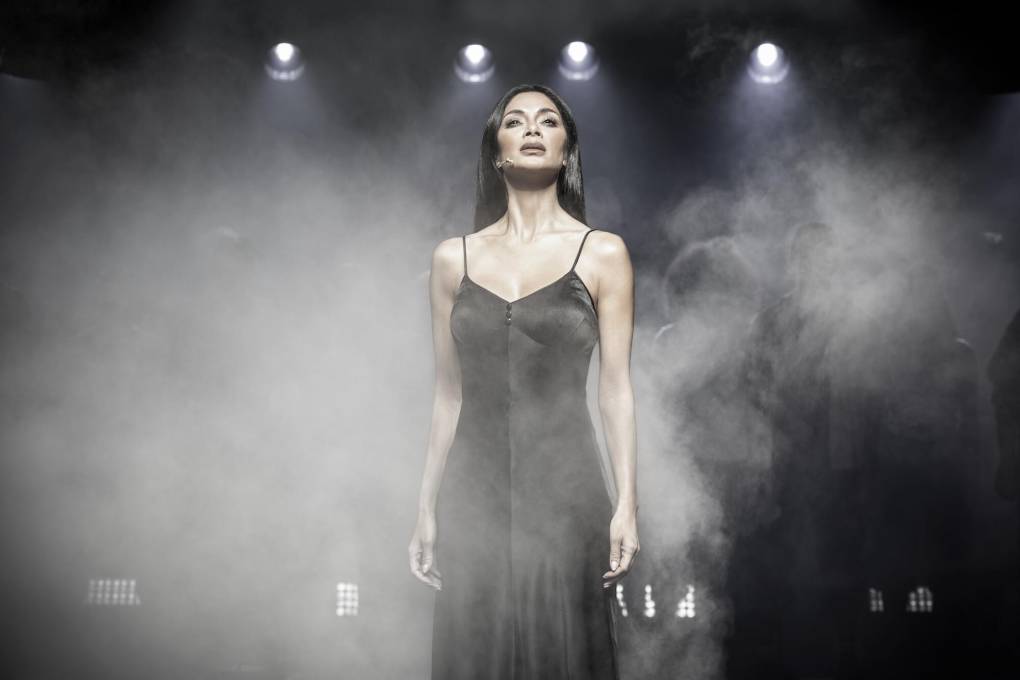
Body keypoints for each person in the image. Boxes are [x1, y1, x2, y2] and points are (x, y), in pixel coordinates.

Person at [408, 84, 639, 678]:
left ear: (567, 150)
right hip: (473, 493)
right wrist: (426, 507)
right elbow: (447, 394)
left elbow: (615, 390)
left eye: (547, 121)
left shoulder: (603, 253)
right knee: (474, 653)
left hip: (568, 495)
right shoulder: (450, 259)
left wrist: (627, 504)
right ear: (496, 151)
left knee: (563, 652)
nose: (532, 128)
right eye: (515, 121)